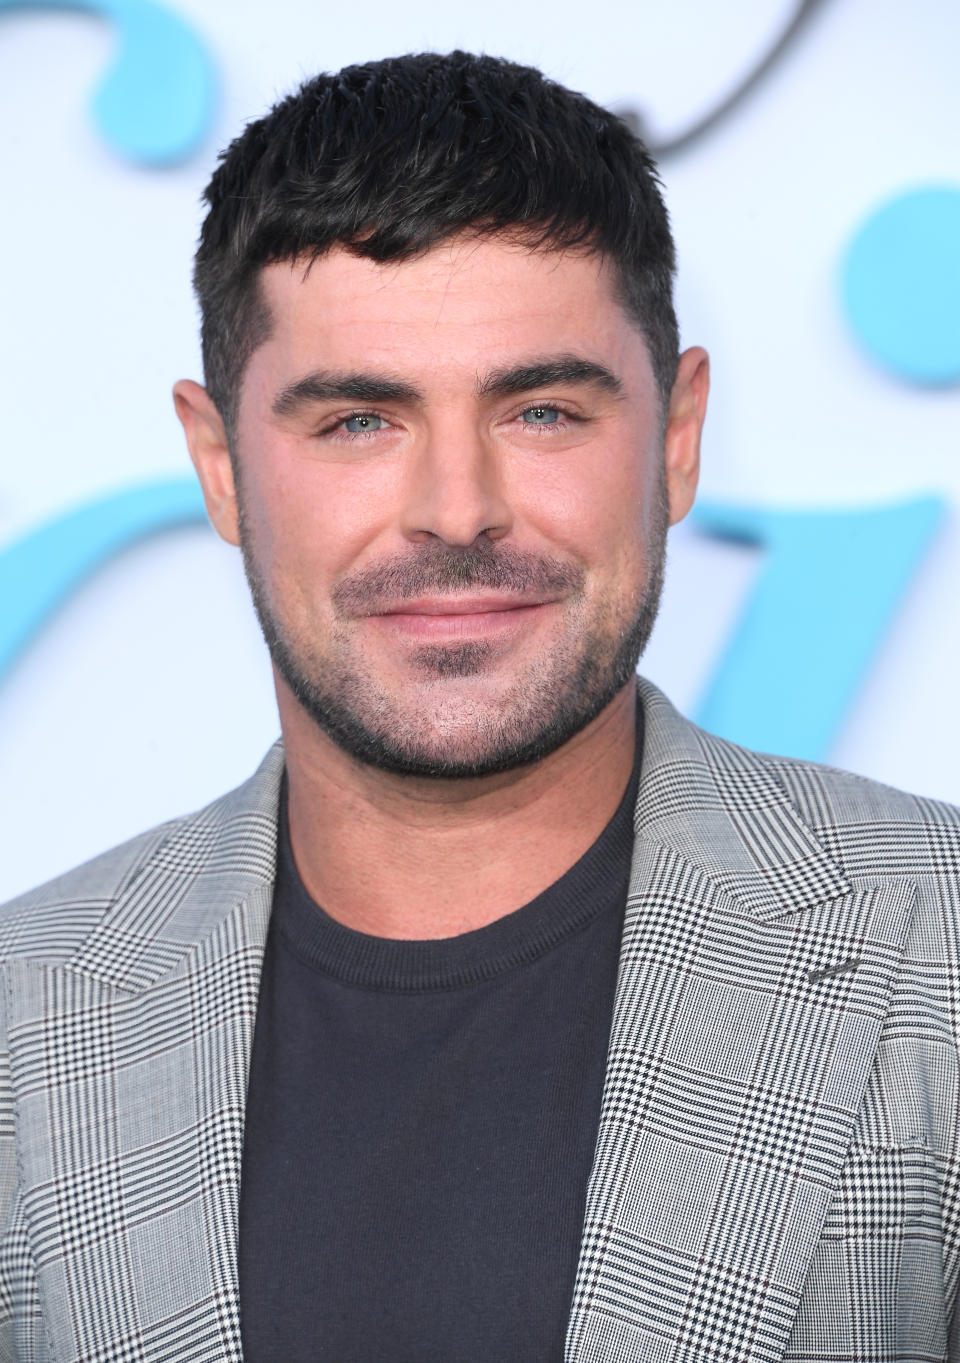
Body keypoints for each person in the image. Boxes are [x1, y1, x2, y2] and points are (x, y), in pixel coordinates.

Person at [0, 49, 957, 1363]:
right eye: (357, 423)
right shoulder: (24, 1016)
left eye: (545, 410)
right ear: (221, 467)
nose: (458, 509)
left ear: (676, 440)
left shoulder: (941, 952)